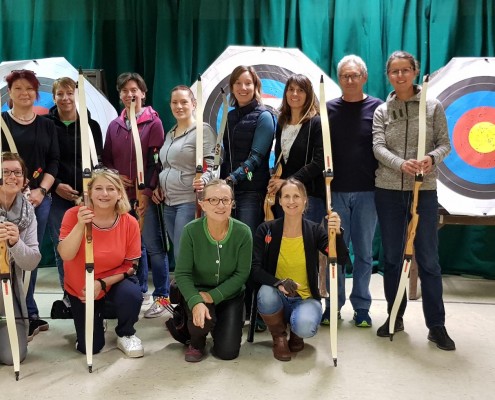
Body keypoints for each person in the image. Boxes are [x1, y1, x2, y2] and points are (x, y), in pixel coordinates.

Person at [372, 50, 455, 350]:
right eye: (394, 71)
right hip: (390, 190)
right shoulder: (383, 111)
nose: (400, 76)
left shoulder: (432, 107)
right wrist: (399, 163)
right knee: (393, 258)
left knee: (429, 260)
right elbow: (378, 147)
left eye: (405, 70)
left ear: (414, 72)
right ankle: (395, 316)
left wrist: (431, 158)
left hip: (425, 191)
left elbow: (445, 144)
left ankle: (437, 325)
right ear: (388, 75)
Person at [251, 178, 347, 361]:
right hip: (277, 296)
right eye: (286, 196)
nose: (291, 201)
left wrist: (338, 233)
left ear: (305, 200)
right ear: (279, 201)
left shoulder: (315, 231)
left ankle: (296, 333)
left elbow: (339, 258)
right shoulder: (266, 230)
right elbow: (255, 269)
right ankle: (279, 337)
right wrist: (278, 283)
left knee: (305, 327)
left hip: (305, 298)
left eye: (296, 196)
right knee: (265, 293)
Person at [58, 169, 144, 357]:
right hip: (82, 288)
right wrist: (81, 224)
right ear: (89, 193)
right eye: (98, 188)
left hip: (112, 282)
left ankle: (126, 332)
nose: (104, 194)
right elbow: (65, 254)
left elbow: (132, 266)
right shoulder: (73, 215)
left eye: (110, 189)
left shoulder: (129, 222)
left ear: (119, 193)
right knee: (89, 348)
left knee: (132, 294)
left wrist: (102, 283)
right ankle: (97, 320)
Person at [102, 72, 169, 312]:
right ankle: (139, 291)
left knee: (153, 245)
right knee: (132, 247)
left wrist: (147, 191)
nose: (130, 94)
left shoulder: (154, 122)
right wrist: (115, 177)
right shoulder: (115, 125)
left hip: (145, 194)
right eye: (125, 91)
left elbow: (156, 161)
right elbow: (107, 159)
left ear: (143, 93)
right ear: (120, 95)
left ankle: (162, 295)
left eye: (134, 90)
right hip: (121, 197)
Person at [325, 55, 384, 327]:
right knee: (335, 253)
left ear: (364, 77)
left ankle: (362, 308)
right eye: (345, 76)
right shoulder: (327, 111)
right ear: (339, 79)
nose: (350, 80)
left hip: (367, 193)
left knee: (363, 254)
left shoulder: (378, 108)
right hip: (334, 193)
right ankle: (333, 306)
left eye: (355, 75)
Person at [1, 69, 59, 341]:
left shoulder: (47, 125)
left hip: (38, 199)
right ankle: (8, 311)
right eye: (18, 88)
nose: (25, 93)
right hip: (5, 199)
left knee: (27, 253)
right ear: (9, 93)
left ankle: (28, 312)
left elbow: (53, 162)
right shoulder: (1, 122)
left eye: (30, 89)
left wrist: (40, 191)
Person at [151, 85, 216, 318]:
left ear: (193, 104)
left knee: (183, 255)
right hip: (168, 201)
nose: (179, 106)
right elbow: (166, 166)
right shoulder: (170, 133)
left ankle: (191, 306)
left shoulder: (203, 131)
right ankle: (188, 303)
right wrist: (159, 186)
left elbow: (214, 163)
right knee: (180, 255)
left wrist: (205, 179)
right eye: (174, 102)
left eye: (184, 102)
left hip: (190, 200)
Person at [174, 179, 252, 362]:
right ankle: (196, 340)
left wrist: (213, 296)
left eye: (225, 200)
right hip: (198, 291)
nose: (220, 205)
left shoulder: (243, 232)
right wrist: (195, 301)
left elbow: (242, 274)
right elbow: (182, 274)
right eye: (213, 200)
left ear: (232, 203)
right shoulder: (190, 231)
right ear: (203, 204)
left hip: (230, 295)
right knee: (201, 320)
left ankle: (221, 325)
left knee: (227, 352)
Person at [220, 65, 275, 319]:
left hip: (251, 192)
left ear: (256, 87)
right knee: (230, 249)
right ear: (232, 87)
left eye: (248, 83)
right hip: (228, 192)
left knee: (250, 249)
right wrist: (218, 181)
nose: (243, 88)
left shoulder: (264, 116)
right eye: (238, 83)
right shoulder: (230, 117)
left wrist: (234, 178)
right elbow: (225, 157)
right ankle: (235, 306)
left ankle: (255, 309)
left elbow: (256, 156)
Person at [45, 77, 104, 318]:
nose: (66, 98)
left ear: (77, 96)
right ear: (54, 97)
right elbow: (46, 160)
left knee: (92, 245)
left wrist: (91, 191)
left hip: (88, 196)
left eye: (70, 93)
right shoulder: (46, 125)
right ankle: (69, 295)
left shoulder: (92, 126)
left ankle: (95, 291)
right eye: (61, 94)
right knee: (65, 248)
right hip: (58, 196)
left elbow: (98, 161)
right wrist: (57, 186)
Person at [0, 152, 41, 366]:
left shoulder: (28, 212)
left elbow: (32, 261)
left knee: (13, 356)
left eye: (17, 172)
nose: (11, 177)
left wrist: (16, 243)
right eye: (5, 172)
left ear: (25, 179)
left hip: (8, 289)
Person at [267, 73, 324, 222]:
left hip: (309, 196)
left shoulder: (317, 123)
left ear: (309, 94)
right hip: (284, 195)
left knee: (308, 243)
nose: (294, 94)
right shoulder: (282, 122)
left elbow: (319, 162)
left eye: (301, 90)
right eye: (291, 89)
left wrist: (288, 181)